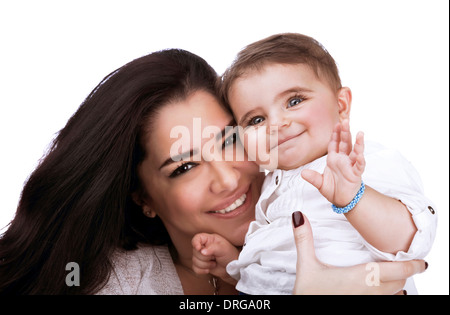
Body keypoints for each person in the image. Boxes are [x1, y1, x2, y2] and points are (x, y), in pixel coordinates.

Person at [0, 48, 428, 295]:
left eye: (230, 140)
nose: (227, 179)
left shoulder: (324, 215)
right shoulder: (118, 282)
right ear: (143, 198)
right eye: (184, 166)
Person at [192, 33, 437, 295]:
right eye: (256, 120)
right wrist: (234, 264)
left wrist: (355, 198)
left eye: (294, 101)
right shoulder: (270, 186)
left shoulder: (364, 163)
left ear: (341, 106)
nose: (276, 124)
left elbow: (411, 241)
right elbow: (279, 271)